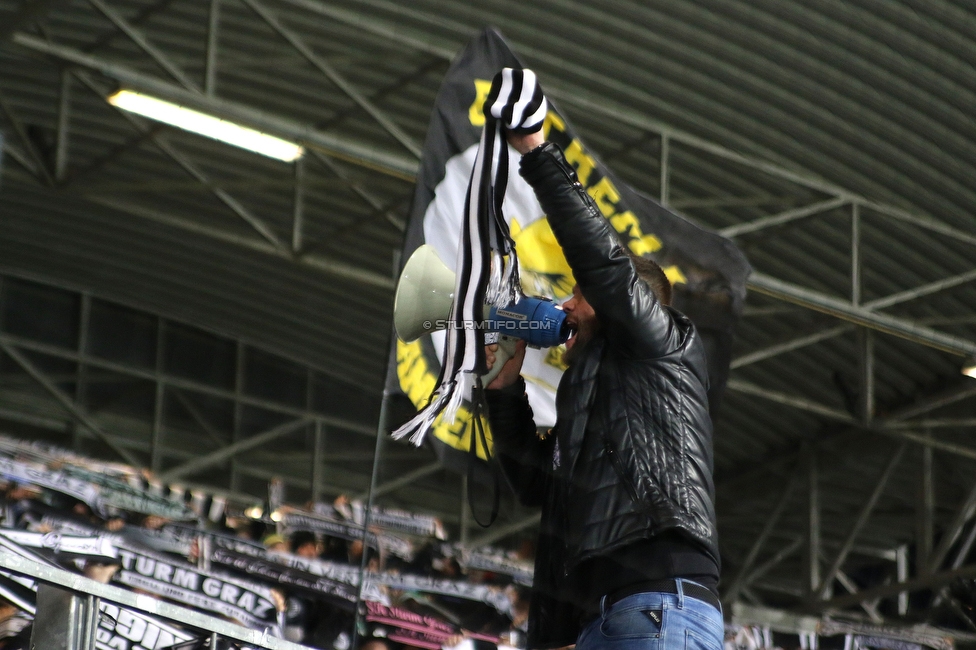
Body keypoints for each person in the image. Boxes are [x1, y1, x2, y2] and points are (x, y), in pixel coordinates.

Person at [483, 122, 723, 650]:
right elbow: (535, 486)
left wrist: (537, 153)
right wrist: (503, 388)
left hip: (657, 605)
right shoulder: (591, 401)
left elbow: (606, 266)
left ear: (626, 302)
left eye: (579, 295)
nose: (565, 306)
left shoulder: (662, 344)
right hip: (607, 619)